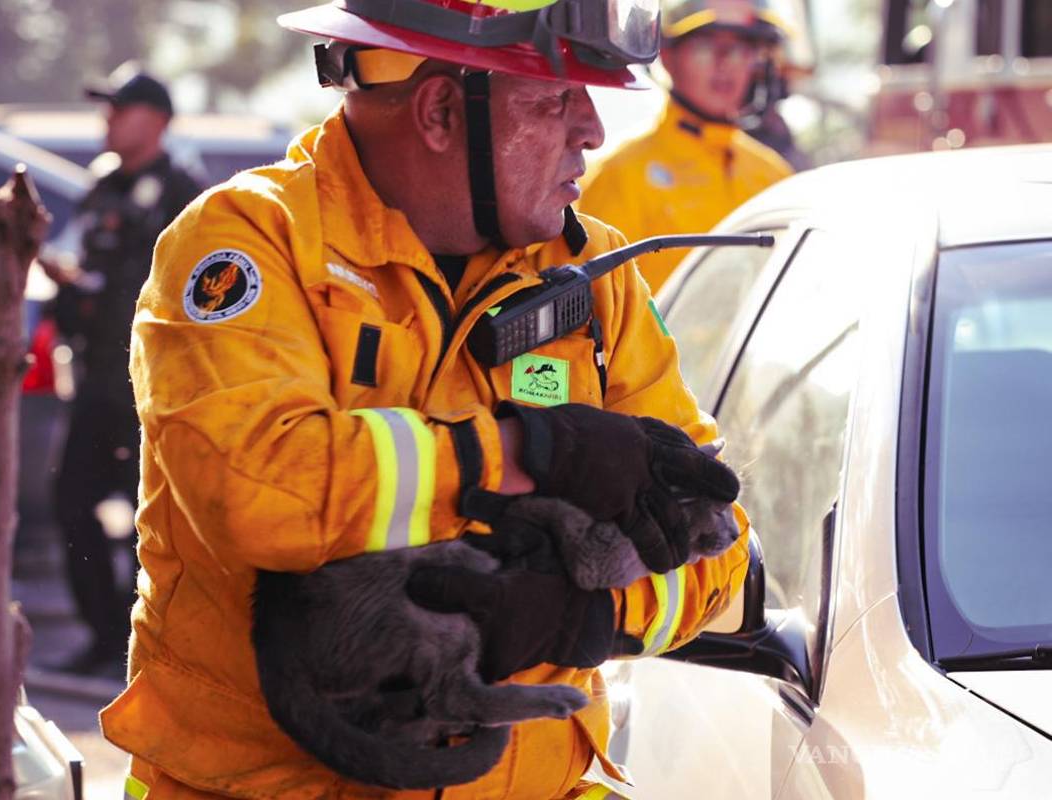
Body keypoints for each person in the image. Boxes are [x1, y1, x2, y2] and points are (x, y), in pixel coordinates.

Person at [100, 2, 751, 797]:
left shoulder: (596, 276)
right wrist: (522, 454)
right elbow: (264, 491)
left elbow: (721, 550)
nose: (591, 130)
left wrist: (576, 618)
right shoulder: (250, 242)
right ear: (442, 110)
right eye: (554, 98)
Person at [39, 68, 202, 675]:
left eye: (119, 110)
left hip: (153, 388)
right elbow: (80, 264)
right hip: (96, 382)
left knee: (152, 518)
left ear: (156, 121)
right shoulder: (102, 185)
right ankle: (106, 635)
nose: (107, 121)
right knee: (72, 503)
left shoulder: (183, 192)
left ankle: (150, 642)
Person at [579, 0, 794, 295]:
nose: (725, 63)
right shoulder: (618, 175)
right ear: (667, 56)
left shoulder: (774, 175)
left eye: (741, 47)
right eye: (706, 45)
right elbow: (596, 305)